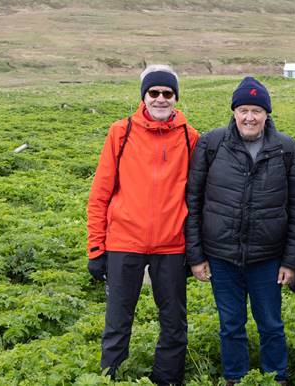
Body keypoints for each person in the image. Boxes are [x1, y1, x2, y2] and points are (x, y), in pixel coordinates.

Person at [184, 76, 295, 386]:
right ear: (234, 112)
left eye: (257, 110)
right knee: (231, 325)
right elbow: (193, 201)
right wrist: (196, 257)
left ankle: (276, 377)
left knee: (271, 324)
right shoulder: (211, 144)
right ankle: (235, 378)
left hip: (267, 258)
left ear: (267, 114)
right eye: (243, 110)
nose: (250, 117)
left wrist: (291, 262)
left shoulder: (286, 149)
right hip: (222, 256)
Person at [86, 64, 199, 385]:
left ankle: (167, 380)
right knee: (117, 323)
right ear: (144, 96)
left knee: (174, 323)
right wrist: (96, 248)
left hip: (172, 247)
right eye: (154, 93)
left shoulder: (191, 139)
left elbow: (197, 199)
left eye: (167, 93)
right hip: (124, 244)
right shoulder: (120, 133)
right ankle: (111, 378)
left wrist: (194, 249)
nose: (160, 99)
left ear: (176, 98)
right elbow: (99, 195)